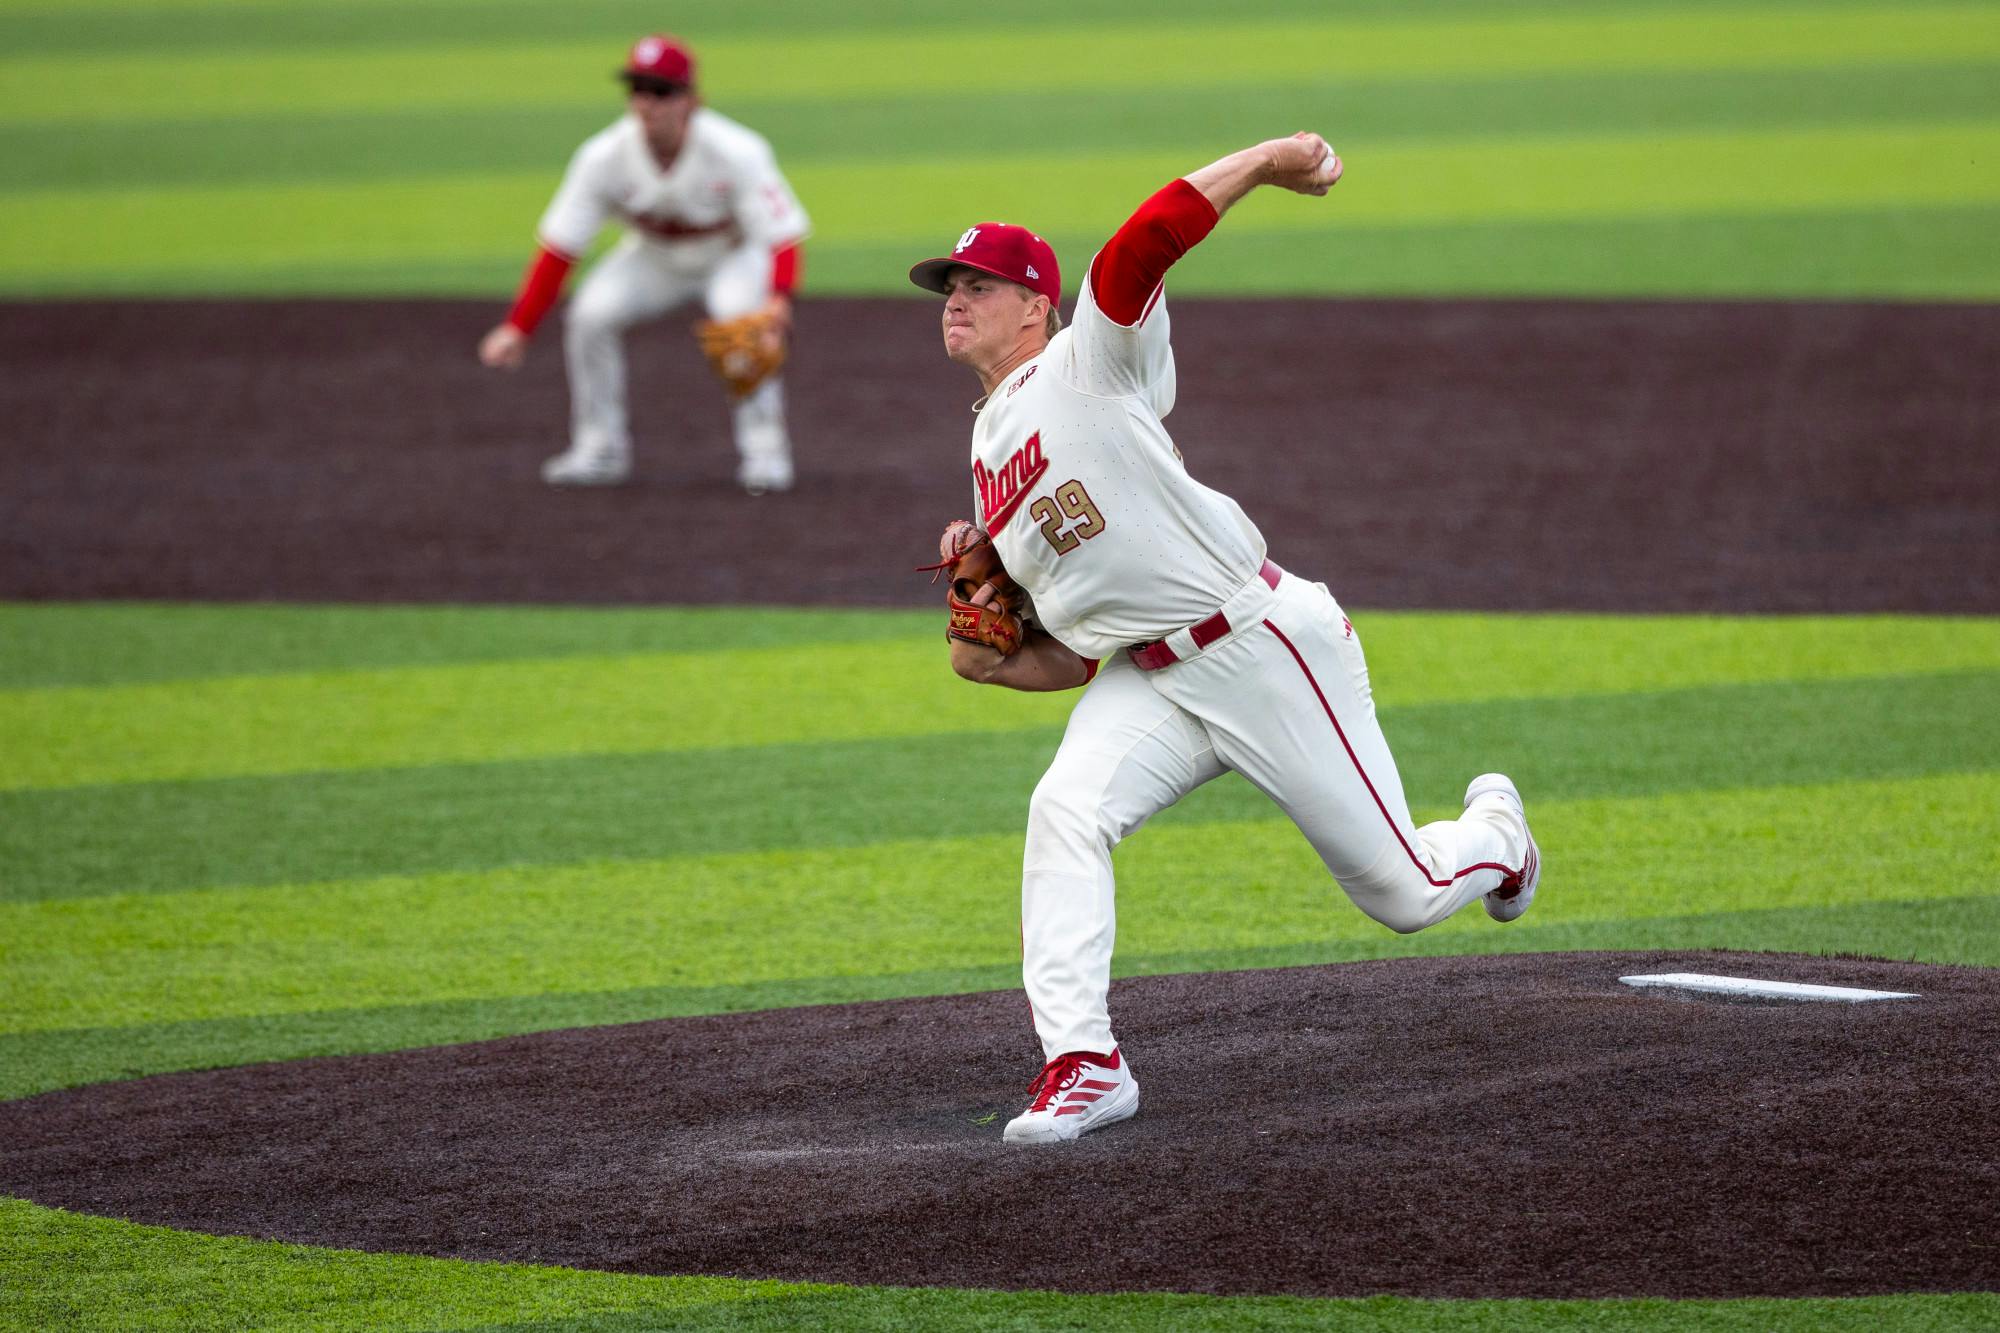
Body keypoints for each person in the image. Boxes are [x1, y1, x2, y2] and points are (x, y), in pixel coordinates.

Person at [908, 133, 1543, 1145]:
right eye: (948, 283)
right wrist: (988, 658)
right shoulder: (986, 458)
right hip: (1148, 678)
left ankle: (1497, 838)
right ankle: (1084, 1063)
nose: (955, 295)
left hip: (1260, 644)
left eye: (979, 282)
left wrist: (1263, 161)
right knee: (1064, 810)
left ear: (1037, 305)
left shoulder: (1089, 362)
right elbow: (1070, 657)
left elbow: (1133, 251)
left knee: (1404, 895)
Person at [478, 34, 810, 494]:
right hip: (653, 256)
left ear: (691, 100)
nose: (647, 102)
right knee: (591, 316)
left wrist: (779, 300)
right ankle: (600, 451)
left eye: (661, 91)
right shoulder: (602, 157)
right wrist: (519, 326)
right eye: (638, 89)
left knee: (745, 327)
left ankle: (765, 454)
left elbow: (782, 236)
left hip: (730, 256)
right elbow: (559, 248)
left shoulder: (738, 150)